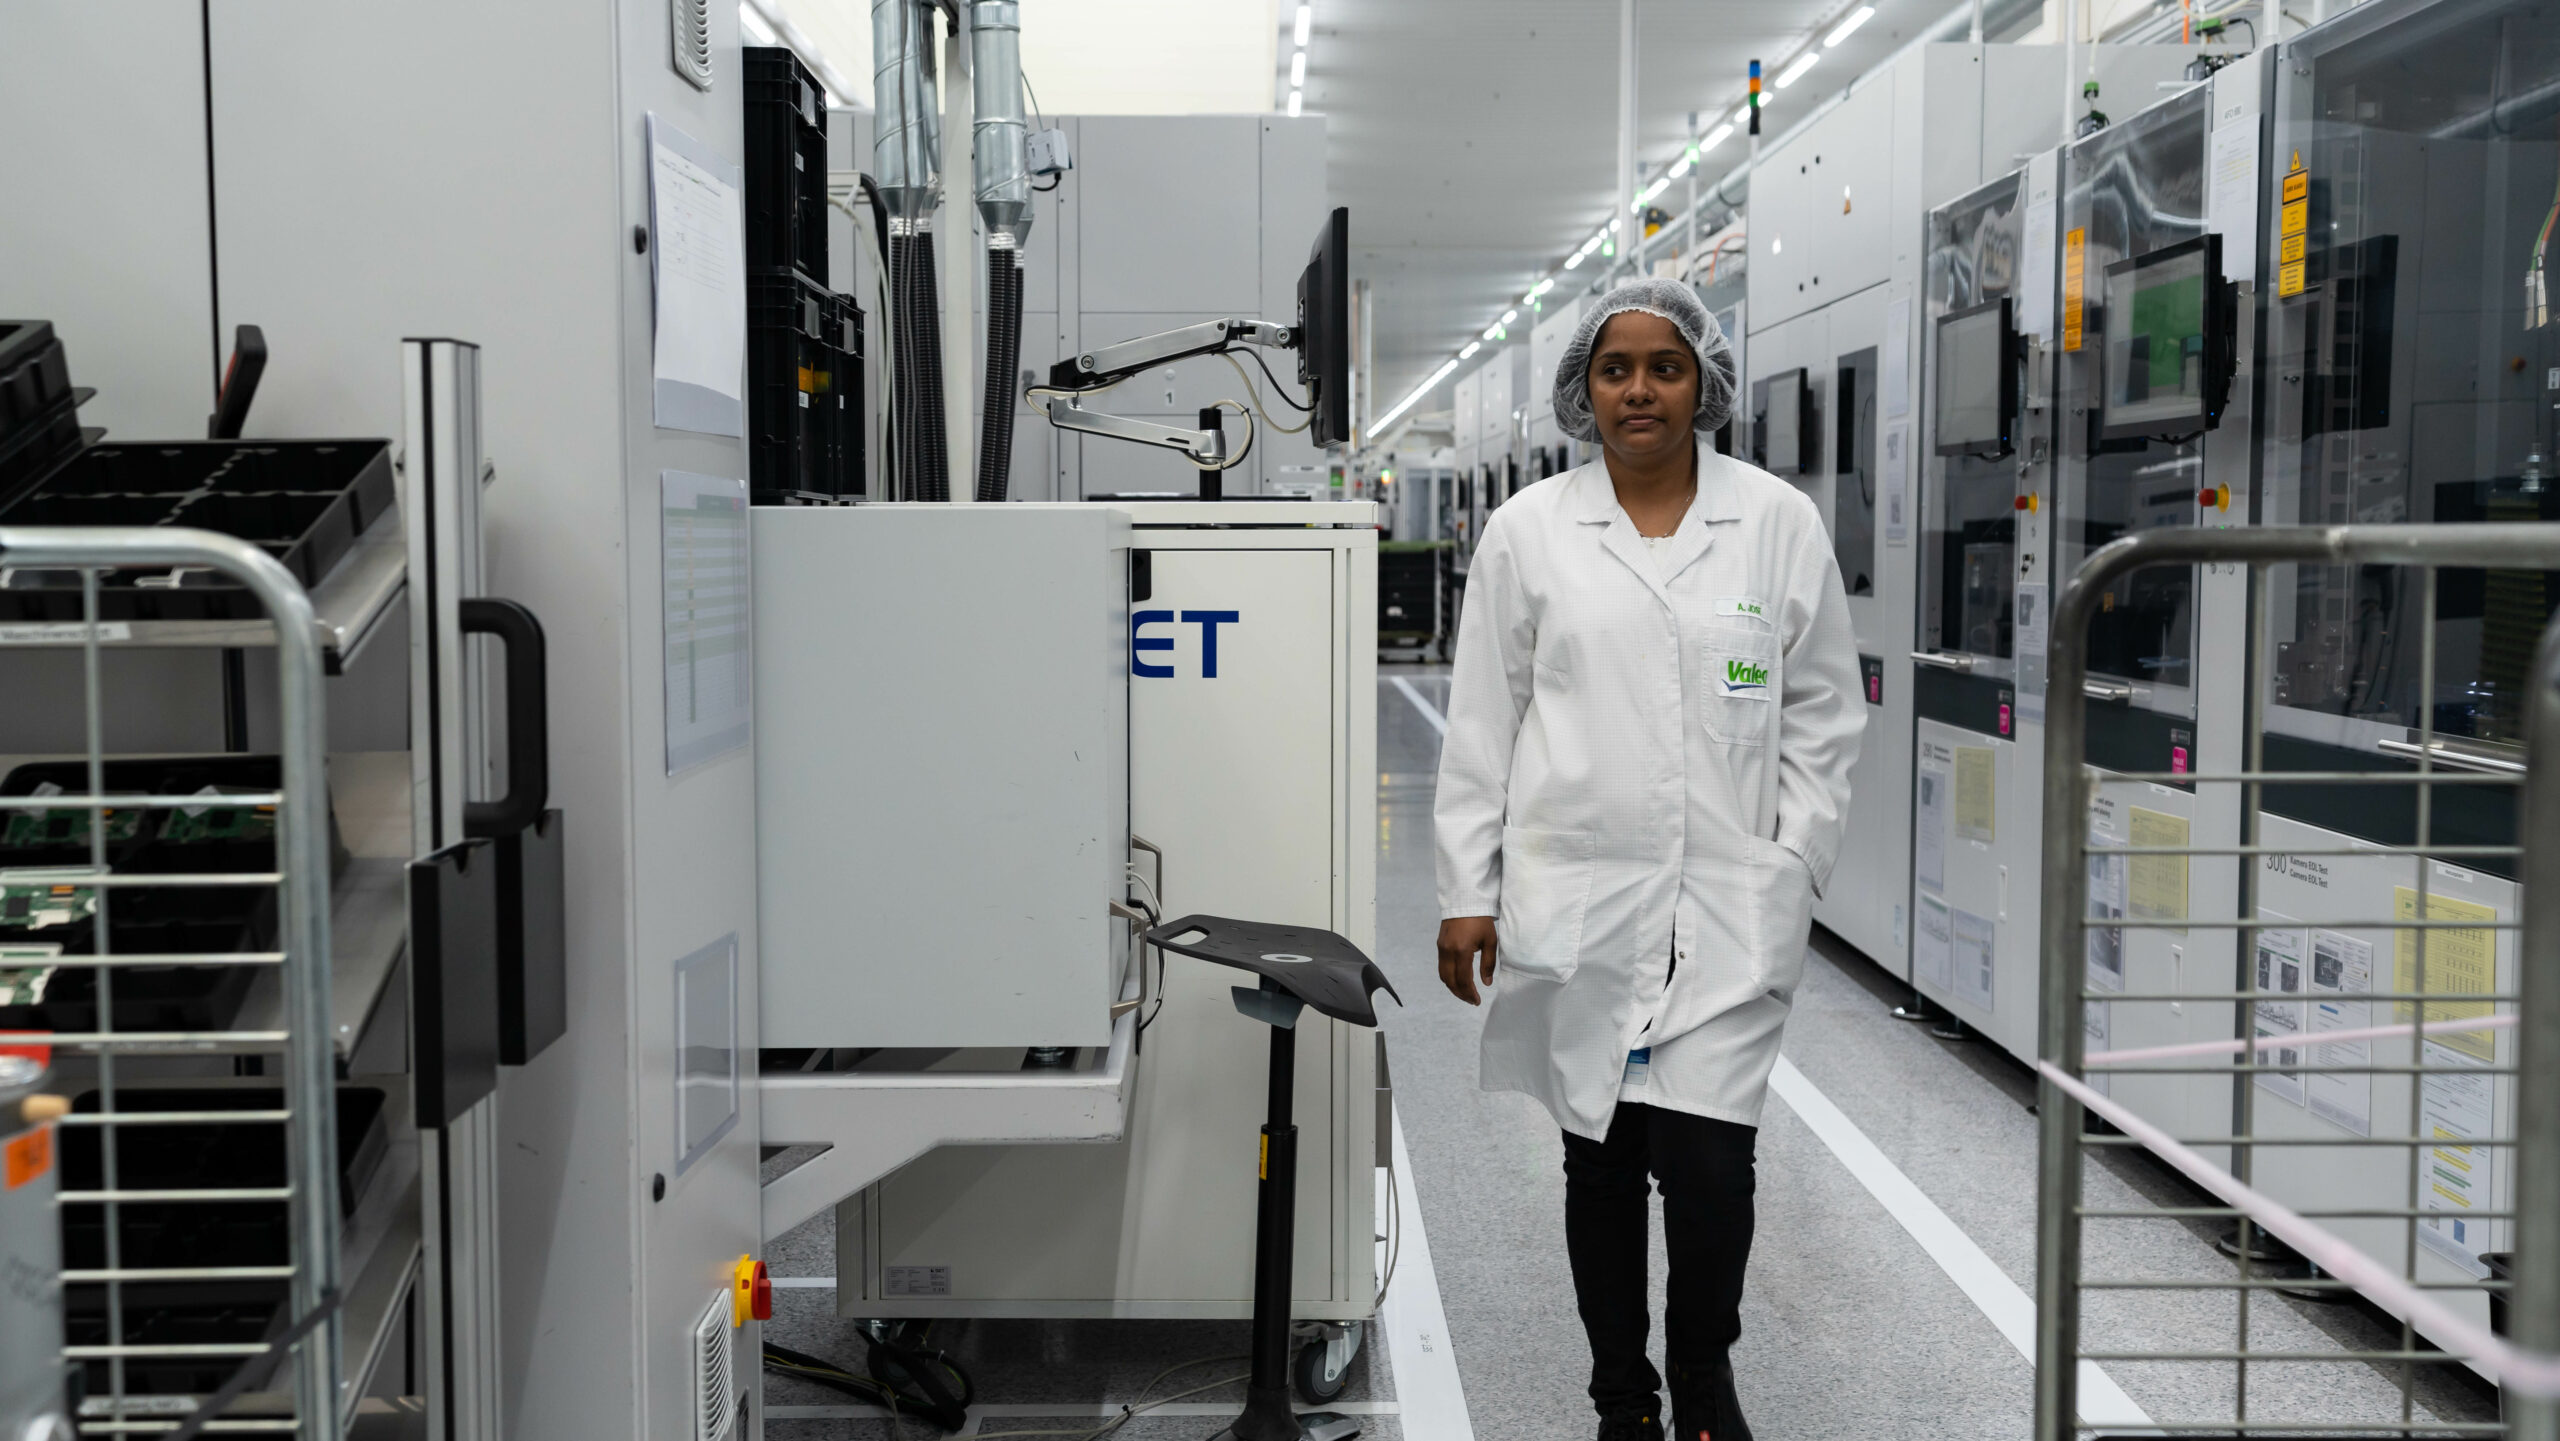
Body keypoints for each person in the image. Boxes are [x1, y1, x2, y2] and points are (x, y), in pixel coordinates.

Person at [1431, 280, 1863, 1441]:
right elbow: (1486, 719)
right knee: (1604, 1162)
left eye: (1662, 368)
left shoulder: (1773, 522)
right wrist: (1467, 891)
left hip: (1729, 903)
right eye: (1616, 369)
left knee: (1714, 1168)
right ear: (1584, 387)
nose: (1638, 389)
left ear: (1702, 385)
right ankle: (1622, 1395)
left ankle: (1703, 1375)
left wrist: (1795, 859)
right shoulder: (1531, 531)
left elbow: (1825, 710)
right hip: (1582, 900)